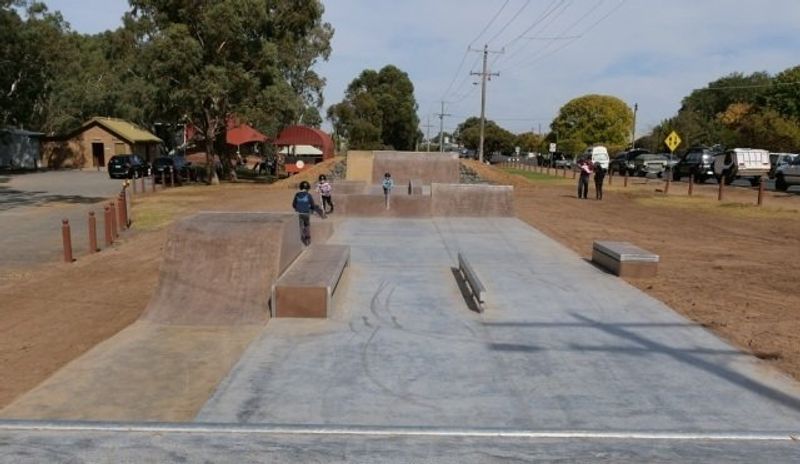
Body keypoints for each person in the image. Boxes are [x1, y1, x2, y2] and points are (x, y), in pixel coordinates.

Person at [292, 180, 318, 246]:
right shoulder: (308, 195)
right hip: (306, 213)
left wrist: (297, 208)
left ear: (300, 187)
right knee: (307, 225)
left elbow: (294, 204)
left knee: (300, 225)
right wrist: (312, 210)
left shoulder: (297, 194)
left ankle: (301, 237)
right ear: (308, 188)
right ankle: (308, 239)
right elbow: (312, 204)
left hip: (299, 213)